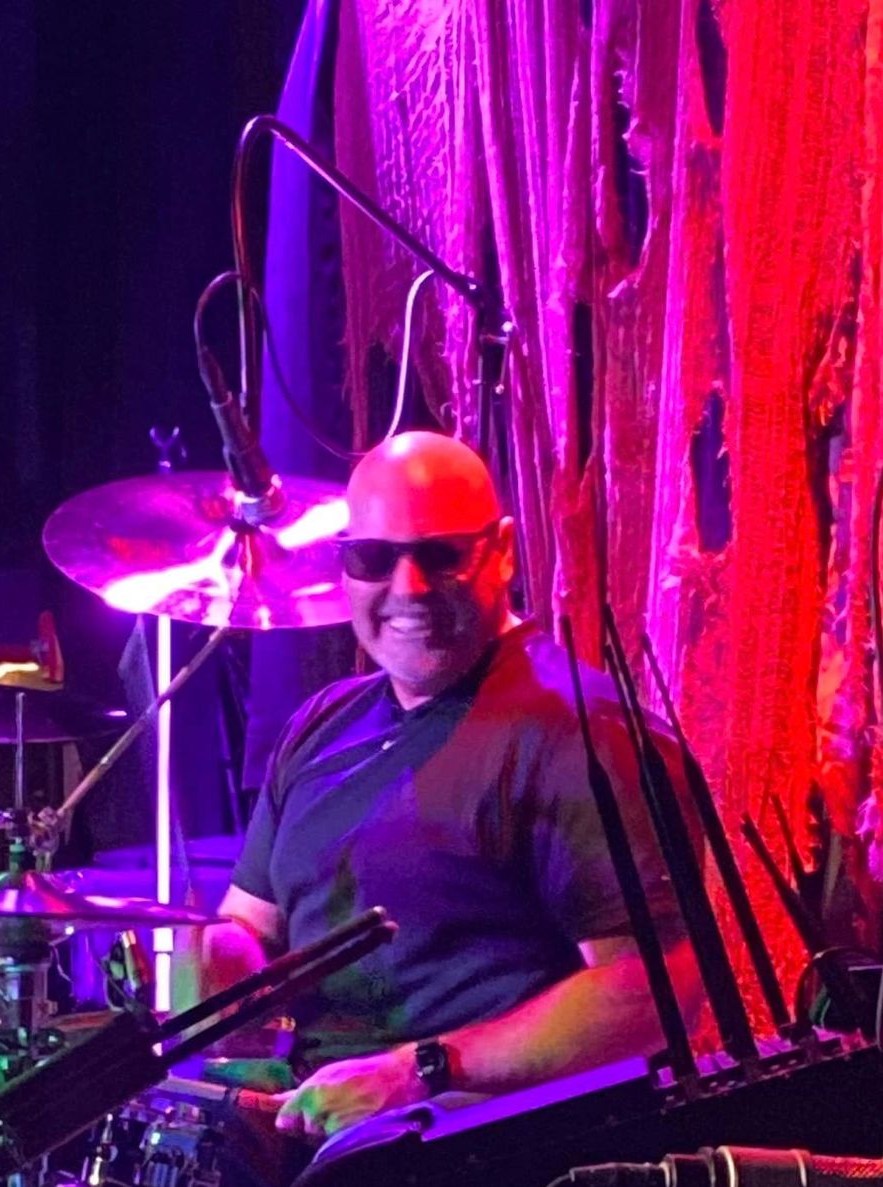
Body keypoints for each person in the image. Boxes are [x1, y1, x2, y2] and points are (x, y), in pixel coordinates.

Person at [186, 430, 702, 1143]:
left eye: (440, 555)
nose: (408, 589)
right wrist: (207, 965)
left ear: (503, 551)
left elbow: (655, 994)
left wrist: (421, 1071)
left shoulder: (581, 733)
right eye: (374, 559)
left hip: (467, 1156)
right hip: (309, 1128)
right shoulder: (322, 724)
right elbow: (250, 924)